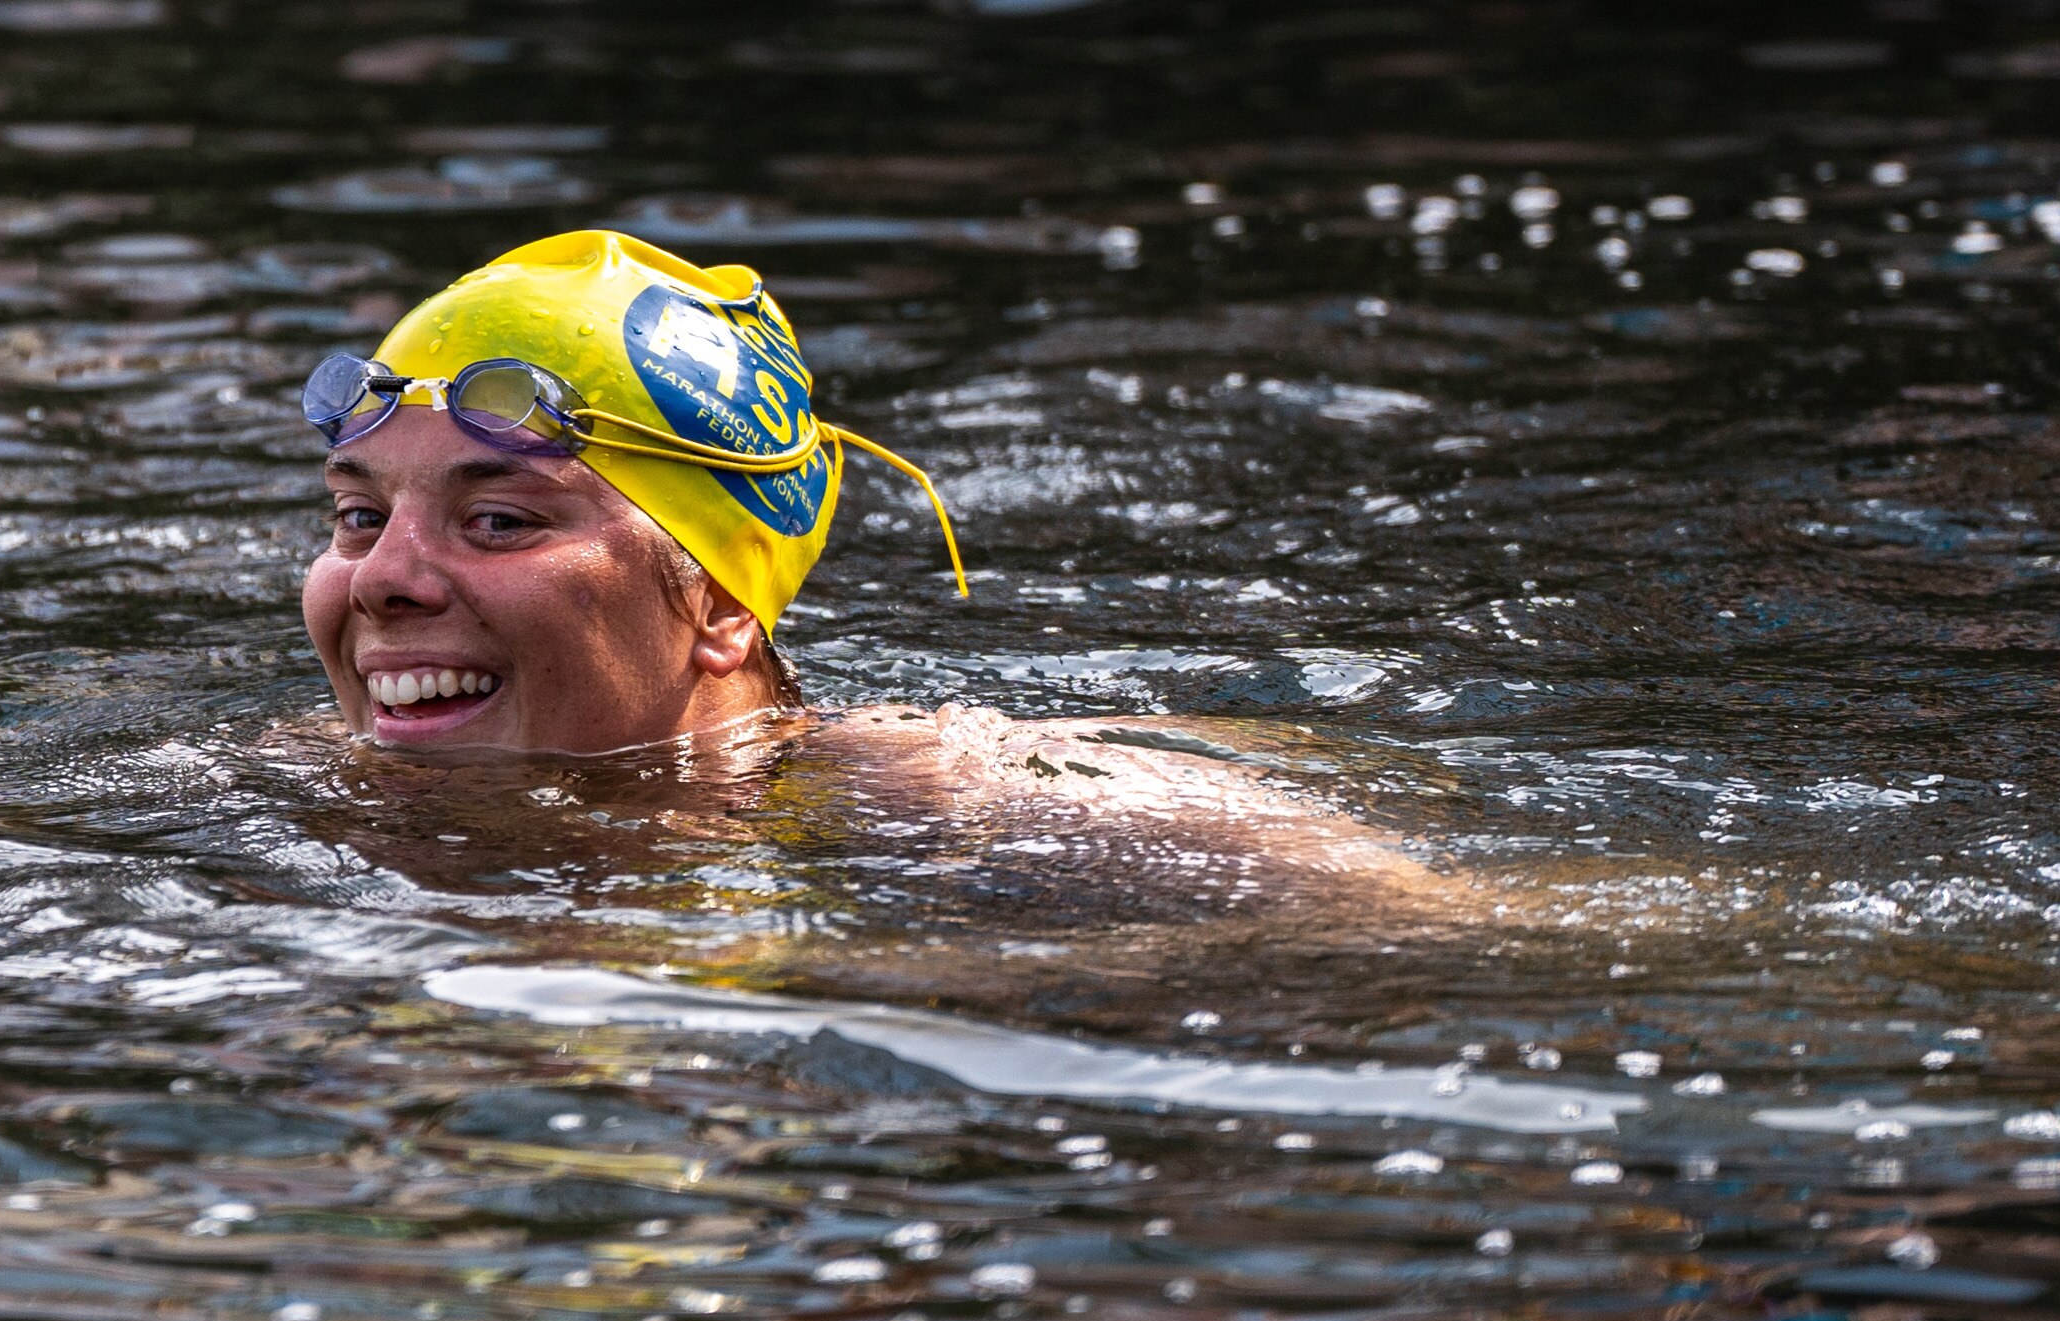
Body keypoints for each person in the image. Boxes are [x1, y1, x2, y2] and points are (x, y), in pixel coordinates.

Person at [298, 229, 1448, 903]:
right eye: (358, 516)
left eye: (499, 521)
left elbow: (1469, 938)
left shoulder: (968, 807)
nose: (383, 580)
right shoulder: (277, 791)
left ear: (716, 599)